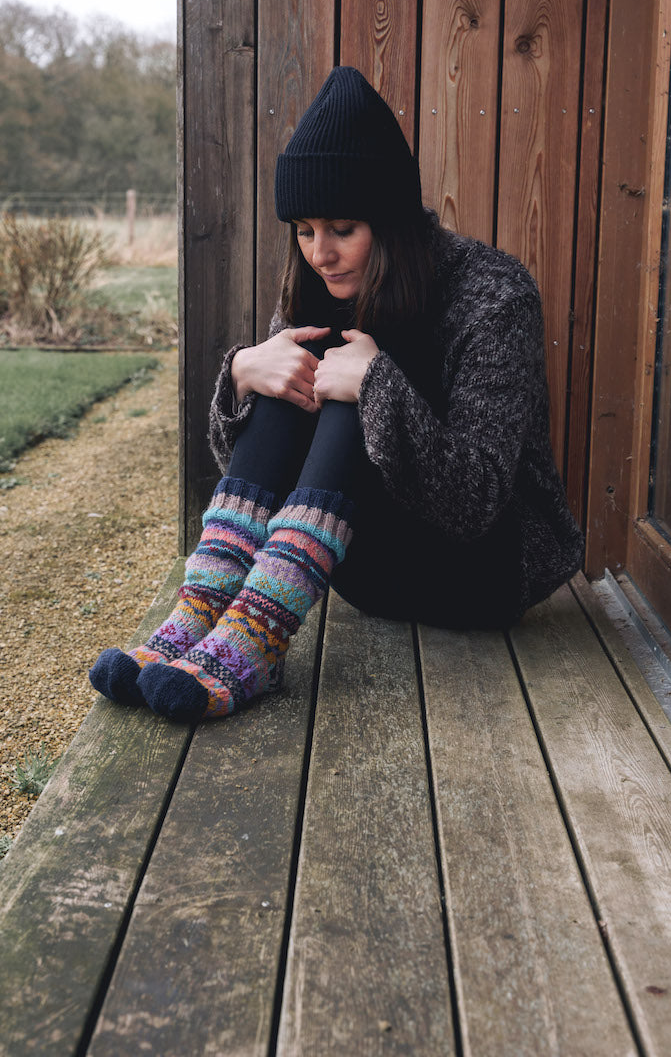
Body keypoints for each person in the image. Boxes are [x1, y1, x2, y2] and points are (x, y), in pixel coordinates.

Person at [89, 66, 584, 723]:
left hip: (484, 572)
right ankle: (200, 612)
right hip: (359, 570)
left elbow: (479, 503)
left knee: (352, 372)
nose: (320, 252)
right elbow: (265, 467)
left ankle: (256, 636)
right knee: (293, 365)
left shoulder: (493, 295)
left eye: (342, 227)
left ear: (391, 220)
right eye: (303, 229)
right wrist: (242, 378)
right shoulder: (316, 288)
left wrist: (379, 388)